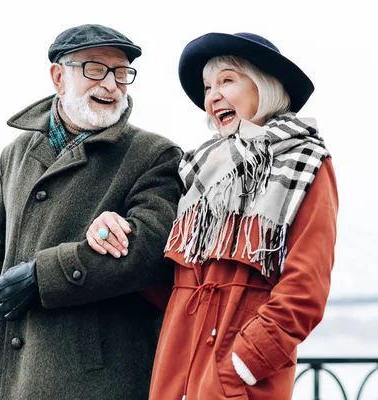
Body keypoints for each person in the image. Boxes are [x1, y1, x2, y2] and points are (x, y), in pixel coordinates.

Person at [87, 32, 338, 399]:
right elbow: (168, 284)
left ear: (264, 85)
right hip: (176, 376)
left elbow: (306, 288)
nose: (213, 96)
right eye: (207, 88)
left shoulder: (307, 162)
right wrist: (112, 232)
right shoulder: (197, 171)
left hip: (240, 384)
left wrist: (241, 365)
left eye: (226, 80)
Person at [0, 24, 182, 399]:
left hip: (96, 380)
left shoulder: (154, 154)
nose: (110, 84)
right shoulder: (16, 153)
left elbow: (152, 248)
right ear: (59, 76)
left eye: (121, 73)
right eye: (95, 69)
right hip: (4, 374)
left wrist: (46, 275)